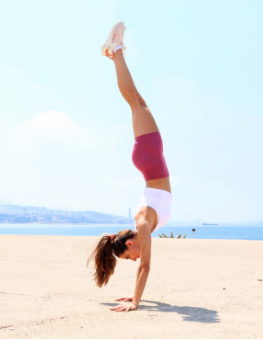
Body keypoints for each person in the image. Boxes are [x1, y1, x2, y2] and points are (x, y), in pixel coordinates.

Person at [88, 21, 172, 313]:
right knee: (137, 102)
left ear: (130, 242)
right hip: (150, 161)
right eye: (129, 261)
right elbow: (143, 264)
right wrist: (134, 296)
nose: (134, 259)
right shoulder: (141, 225)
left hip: (150, 159)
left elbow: (146, 266)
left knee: (135, 102)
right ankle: (115, 51)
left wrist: (136, 303)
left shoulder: (143, 225)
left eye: (127, 256)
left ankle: (116, 50)